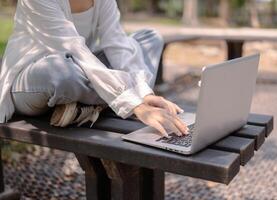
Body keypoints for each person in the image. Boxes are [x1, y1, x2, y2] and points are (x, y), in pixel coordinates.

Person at [0, 0, 189, 137]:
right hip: (37, 81)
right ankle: (107, 102)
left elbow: (117, 44)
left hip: (82, 70)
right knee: (61, 71)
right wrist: (136, 105)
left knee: (149, 38)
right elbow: (74, 51)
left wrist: (144, 93)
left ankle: (86, 105)